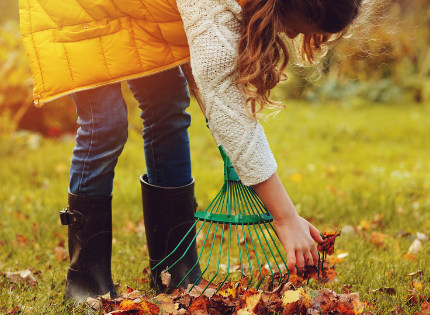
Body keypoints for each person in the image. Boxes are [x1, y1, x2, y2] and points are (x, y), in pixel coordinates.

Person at [19, 0, 365, 305]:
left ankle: (175, 268)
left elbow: (211, 77)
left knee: (168, 107)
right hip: (78, 9)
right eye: (292, 27)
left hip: (144, 11)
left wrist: (220, 114)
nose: (287, 34)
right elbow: (222, 91)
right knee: (106, 123)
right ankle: (86, 278)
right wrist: (285, 216)